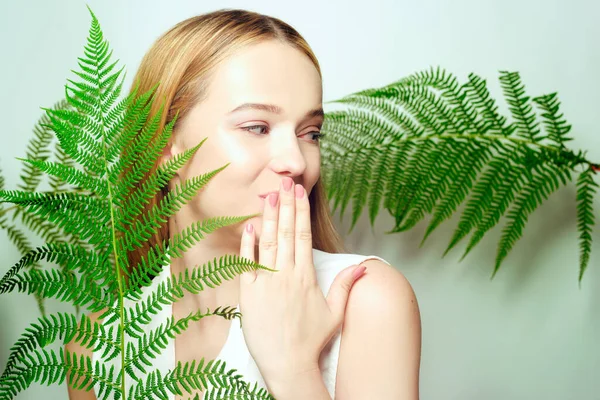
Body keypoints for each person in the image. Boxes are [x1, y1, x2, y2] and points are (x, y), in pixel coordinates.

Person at [65, 8, 421, 400]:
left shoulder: (366, 300)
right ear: (166, 146)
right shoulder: (98, 346)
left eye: (311, 133)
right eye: (257, 127)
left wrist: (294, 371)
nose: (296, 161)